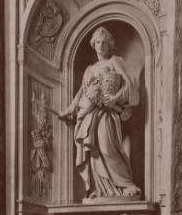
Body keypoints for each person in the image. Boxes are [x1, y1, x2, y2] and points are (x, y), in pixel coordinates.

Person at [59, 26, 141, 201]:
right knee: (93, 151)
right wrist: (69, 110)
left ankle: (124, 184)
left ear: (110, 45)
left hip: (108, 113)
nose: (101, 45)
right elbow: (82, 93)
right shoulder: (90, 69)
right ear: (93, 45)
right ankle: (99, 188)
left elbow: (129, 86)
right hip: (90, 114)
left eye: (105, 42)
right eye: (98, 42)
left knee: (107, 147)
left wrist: (115, 99)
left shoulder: (116, 62)